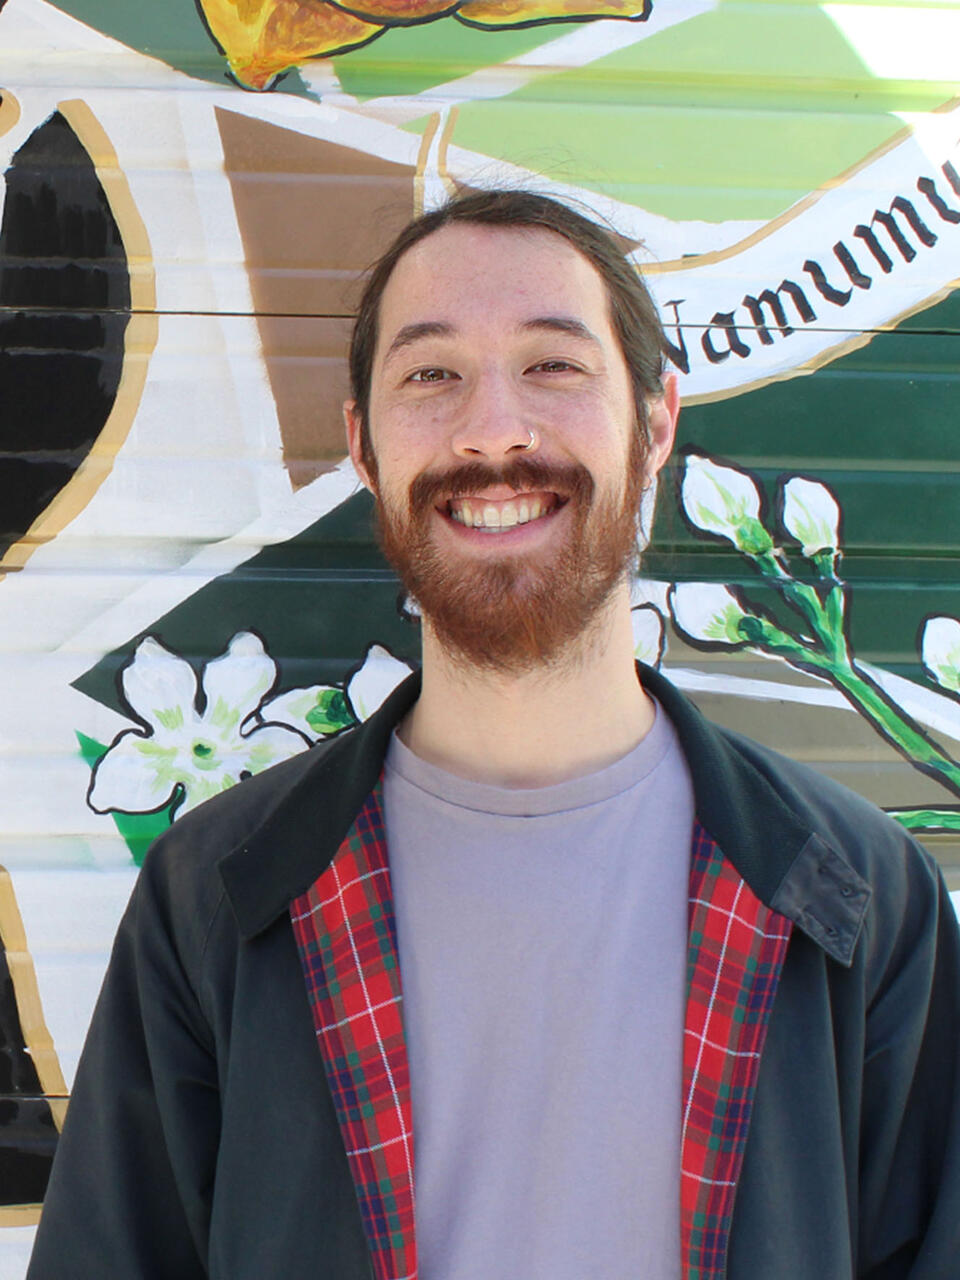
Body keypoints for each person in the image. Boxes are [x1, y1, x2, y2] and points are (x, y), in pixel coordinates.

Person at [29, 190, 960, 1280]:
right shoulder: (217, 898)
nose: (492, 430)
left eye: (554, 365)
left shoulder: (854, 896)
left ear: (656, 421)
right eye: (431, 375)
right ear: (363, 446)